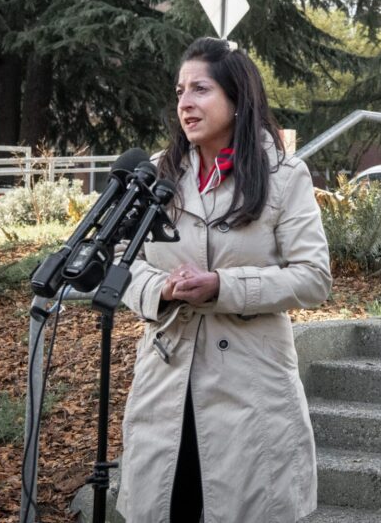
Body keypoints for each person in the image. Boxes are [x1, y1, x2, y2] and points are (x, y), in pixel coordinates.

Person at [115, 37, 332, 522]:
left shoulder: (284, 175)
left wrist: (223, 287)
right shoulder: (157, 175)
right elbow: (119, 260)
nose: (185, 103)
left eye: (201, 89)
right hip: (165, 383)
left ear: (237, 99)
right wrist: (159, 289)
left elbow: (314, 277)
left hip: (251, 389)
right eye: (179, 92)